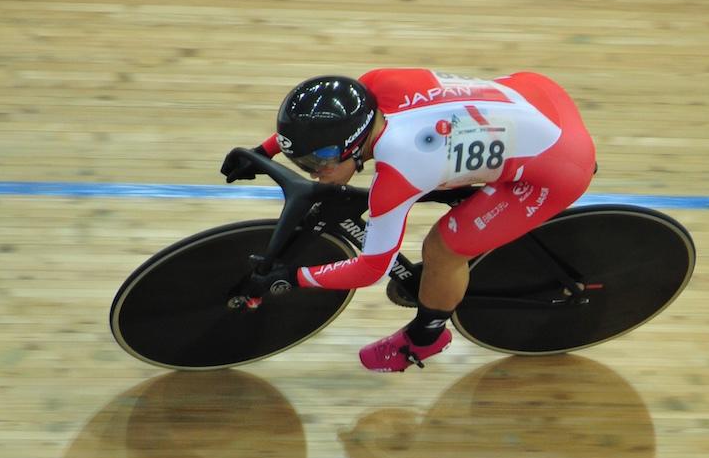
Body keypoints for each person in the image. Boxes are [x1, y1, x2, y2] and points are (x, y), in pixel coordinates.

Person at [219, 69, 597, 372]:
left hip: (559, 164)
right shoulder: (369, 87)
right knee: (447, 182)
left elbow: (370, 269)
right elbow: (315, 126)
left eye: (319, 164)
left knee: (444, 249)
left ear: (351, 145)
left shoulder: (400, 170)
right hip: (538, 96)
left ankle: (426, 337)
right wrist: (264, 149)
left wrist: (295, 278)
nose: (315, 174)